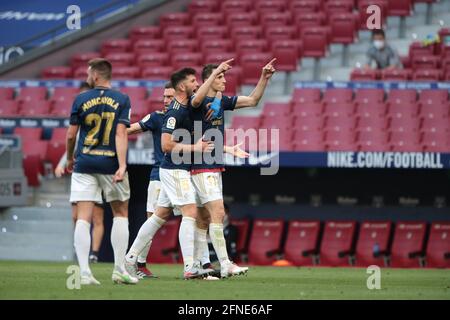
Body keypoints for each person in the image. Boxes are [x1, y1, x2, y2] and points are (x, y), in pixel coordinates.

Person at [189, 57, 276, 278]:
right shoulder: (196, 103)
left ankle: (199, 265)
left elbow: (253, 100)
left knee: (202, 219)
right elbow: (197, 102)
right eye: (220, 76)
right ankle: (225, 264)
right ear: (209, 79)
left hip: (212, 165)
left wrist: (264, 78)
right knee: (218, 212)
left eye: (224, 76)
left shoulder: (222, 102)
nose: (224, 80)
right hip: (201, 165)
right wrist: (214, 72)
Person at [66, 58, 137, 285]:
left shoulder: (80, 98)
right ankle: (118, 270)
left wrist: (69, 158)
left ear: (95, 75)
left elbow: (70, 135)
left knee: (83, 218)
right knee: (120, 213)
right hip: (110, 164)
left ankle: (85, 273)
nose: (87, 76)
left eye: (88, 72)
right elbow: (120, 134)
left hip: (84, 164)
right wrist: (123, 164)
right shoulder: (122, 99)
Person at [126, 81, 175, 278]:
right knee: (151, 221)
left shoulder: (187, 117)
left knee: (196, 217)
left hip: (183, 175)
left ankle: (199, 264)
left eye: (169, 97)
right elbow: (131, 129)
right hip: (159, 176)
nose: (165, 100)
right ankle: (138, 263)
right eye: (164, 96)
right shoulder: (157, 117)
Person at [55, 81, 104, 264]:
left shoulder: (100, 117)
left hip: (97, 169)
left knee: (97, 216)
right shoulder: (81, 121)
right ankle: (80, 250)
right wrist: (63, 163)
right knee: (76, 216)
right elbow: (72, 141)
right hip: (81, 171)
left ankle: (94, 254)